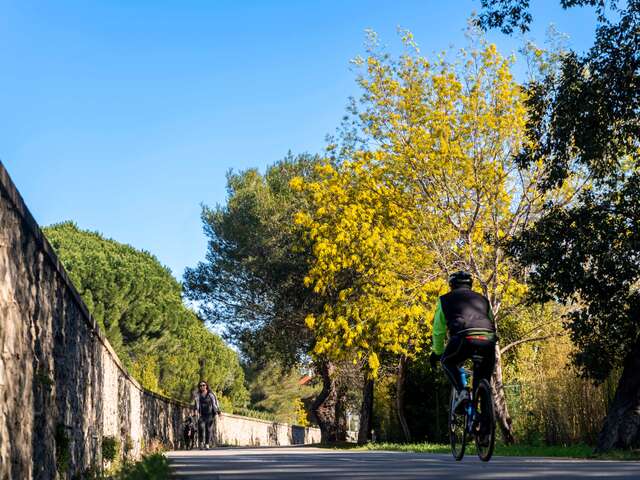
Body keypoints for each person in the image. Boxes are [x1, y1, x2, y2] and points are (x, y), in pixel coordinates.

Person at [429, 271, 497, 413]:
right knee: (482, 379)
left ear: (451, 285)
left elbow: (438, 331)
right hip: (488, 340)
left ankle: (462, 392)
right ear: (470, 285)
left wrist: (437, 352)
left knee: (447, 361)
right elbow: (491, 321)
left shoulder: (444, 300)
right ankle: (485, 423)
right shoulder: (483, 300)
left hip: (464, 338)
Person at [194, 380, 221, 449]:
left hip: (210, 414)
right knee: (201, 427)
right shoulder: (198, 395)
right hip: (202, 415)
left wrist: (218, 412)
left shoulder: (211, 394)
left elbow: (215, 403)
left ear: (206, 386)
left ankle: (207, 444)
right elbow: (195, 405)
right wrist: (195, 411)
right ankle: (201, 442)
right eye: (200, 386)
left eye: (203, 385)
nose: (202, 387)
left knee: (208, 429)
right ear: (199, 387)